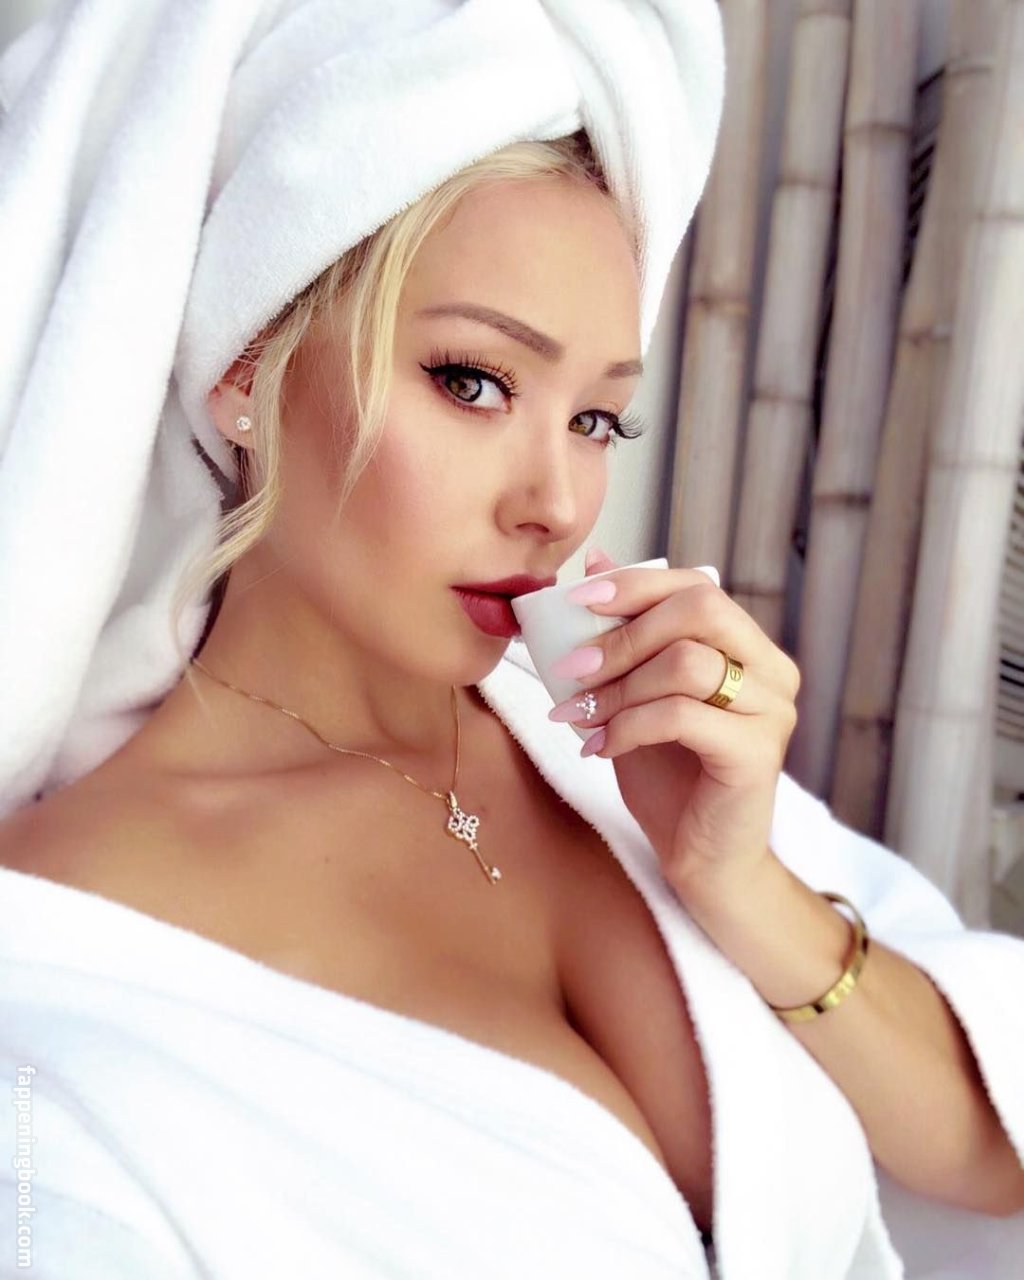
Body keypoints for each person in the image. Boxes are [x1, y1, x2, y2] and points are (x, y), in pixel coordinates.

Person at [0, 3, 1022, 1278]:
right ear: (246, 369)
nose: (556, 502)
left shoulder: (608, 751)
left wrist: (741, 880)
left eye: (597, 419)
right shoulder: (67, 964)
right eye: (472, 381)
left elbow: (990, 1161)